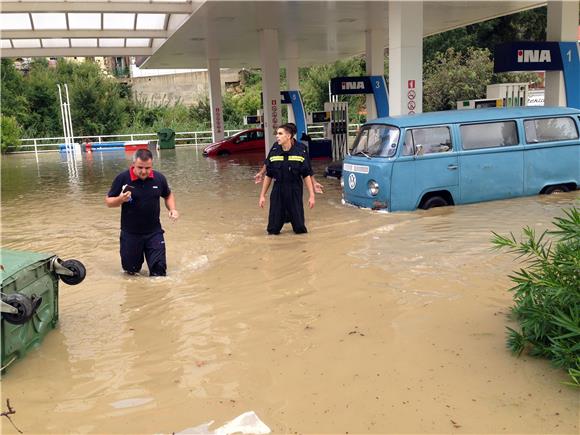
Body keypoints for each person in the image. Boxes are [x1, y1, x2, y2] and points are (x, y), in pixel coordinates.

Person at [105, 149, 179, 276]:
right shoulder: (123, 178)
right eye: (140, 167)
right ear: (133, 163)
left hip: (154, 233)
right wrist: (120, 199)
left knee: (159, 273)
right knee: (131, 273)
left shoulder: (159, 178)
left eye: (147, 168)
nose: (144, 171)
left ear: (152, 165)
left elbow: (168, 195)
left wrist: (172, 209)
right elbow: (108, 202)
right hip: (130, 234)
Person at [259, 123, 315, 234]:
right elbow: (269, 175)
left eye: (280, 134)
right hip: (278, 190)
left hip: (294, 190)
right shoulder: (275, 150)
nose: (277, 136)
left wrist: (312, 195)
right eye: (277, 134)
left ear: (288, 136)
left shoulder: (300, 151)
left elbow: (306, 174)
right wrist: (262, 195)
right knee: (272, 230)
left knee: (299, 229)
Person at [254, 124, 324, 194]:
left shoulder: (301, 148)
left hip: (295, 188)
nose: (278, 136)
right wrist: (261, 173)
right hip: (279, 188)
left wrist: (314, 183)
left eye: (281, 133)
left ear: (290, 135)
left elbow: (307, 168)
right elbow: (268, 161)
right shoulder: (276, 145)